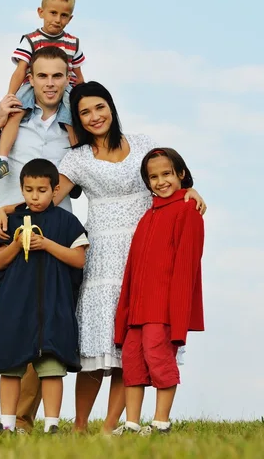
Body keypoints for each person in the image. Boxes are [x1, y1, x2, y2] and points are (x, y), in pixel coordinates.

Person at [0, 81, 207, 434]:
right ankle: (78, 427)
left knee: (129, 346)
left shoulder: (143, 143)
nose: (94, 117)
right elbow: (45, 194)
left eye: (99, 107)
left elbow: (170, 173)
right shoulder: (76, 158)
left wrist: (190, 189)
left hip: (143, 249)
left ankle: (109, 428)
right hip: (102, 253)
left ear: (111, 107)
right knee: (95, 347)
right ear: (77, 118)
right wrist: (8, 208)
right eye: (84, 112)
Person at [0, 46, 78, 436]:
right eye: (42, 76)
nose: (50, 83)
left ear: (67, 78)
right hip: (5, 238)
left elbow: (69, 184)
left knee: (43, 336)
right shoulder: (11, 117)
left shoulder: (75, 130)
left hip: (53, 239)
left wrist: (21, 205)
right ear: (30, 79)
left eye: (58, 76)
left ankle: (21, 423)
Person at [0, 159, 89, 434]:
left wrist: (46, 244)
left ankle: (51, 425)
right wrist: (18, 244)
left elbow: (79, 259)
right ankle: (7, 424)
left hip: (52, 306)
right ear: (21, 189)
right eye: (29, 189)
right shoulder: (11, 221)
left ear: (55, 190)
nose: (35, 196)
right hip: (15, 306)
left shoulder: (67, 221)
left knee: (52, 367)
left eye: (42, 190)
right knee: (10, 366)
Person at [112, 148, 205, 436]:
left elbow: (187, 267)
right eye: (153, 177)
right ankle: (131, 424)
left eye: (167, 174)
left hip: (163, 309)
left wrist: (177, 317)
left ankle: (161, 423)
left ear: (181, 174)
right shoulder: (148, 216)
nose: (161, 181)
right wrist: (125, 312)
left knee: (159, 358)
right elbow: (132, 269)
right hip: (138, 309)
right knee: (132, 361)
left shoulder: (188, 211)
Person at [0, 0, 86, 181]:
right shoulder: (31, 40)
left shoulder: (73, 43)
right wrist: (11, 96)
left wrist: (82, 97)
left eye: (64, 15)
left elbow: (78, 74)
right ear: (41, 12)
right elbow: (21, 70)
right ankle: (2, 159)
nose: (58, 20)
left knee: (71, 121)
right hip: (32, 86)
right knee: (15, 114)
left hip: (63, 89)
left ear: (70, 18)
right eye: (53, 13)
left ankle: (78, 167)